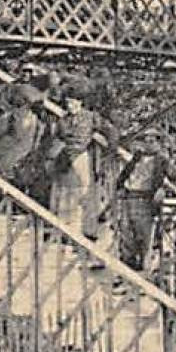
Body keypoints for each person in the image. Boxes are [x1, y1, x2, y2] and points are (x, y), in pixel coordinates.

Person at [42, 76, 118, 240]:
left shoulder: (91, 117)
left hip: (80, 157)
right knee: (62, 194)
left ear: (80, 103)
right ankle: (61, 231)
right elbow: (56, 139)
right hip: (63, 158)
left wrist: (110, 151)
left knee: (81, 193)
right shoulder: (63, 120)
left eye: (73, 102)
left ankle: (79, 232)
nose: (70, 106)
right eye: (68, 103)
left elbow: (110, 131)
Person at [111, 131, 173, 270]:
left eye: (152, 141)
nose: (148, 145)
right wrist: (120, 187)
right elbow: (124, 175)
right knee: (126, 233)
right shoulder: (137, 157)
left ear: (158, 143)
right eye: (146, 141)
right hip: (129, 197)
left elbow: (174, 179)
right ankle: (127, 268)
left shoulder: (162, 160)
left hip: (146, 200)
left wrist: (163, 189)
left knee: (145, 236)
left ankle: (145, 272)